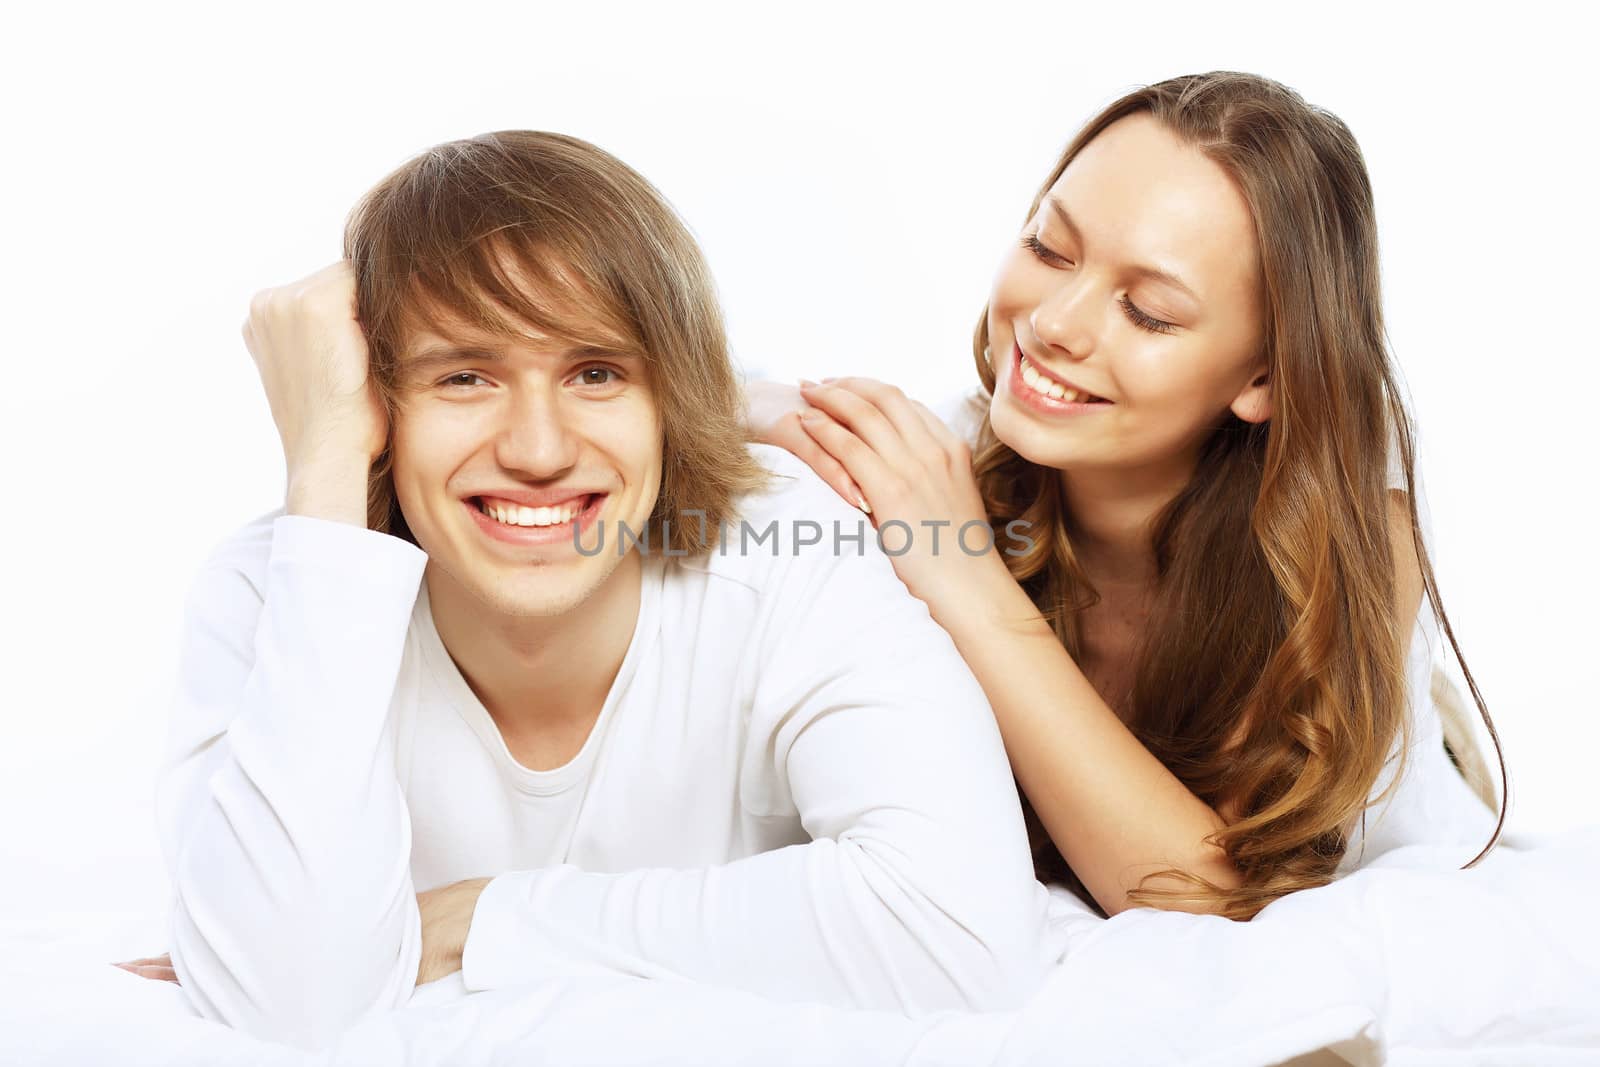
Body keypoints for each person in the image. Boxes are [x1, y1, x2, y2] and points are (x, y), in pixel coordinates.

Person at [124, 130, 1055, 1050]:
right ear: (379, 409)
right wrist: (323, 464)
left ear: (673, 398)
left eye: (597, 372)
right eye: (464, 375)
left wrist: (483, 918)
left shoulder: (783, 548)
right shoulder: (281, 588)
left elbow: (964, 938)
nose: (538, 449)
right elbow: (288, 1005)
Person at [747, 70, 1508, 922]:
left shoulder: (1360, 523)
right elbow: (698, 399)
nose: (1054, 324)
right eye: (1048, 247)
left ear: (1265, 375)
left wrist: (963, 577)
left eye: (1148, 312)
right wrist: (761, 407)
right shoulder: (964, 463)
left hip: (1394, 755)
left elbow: (1215, 899)